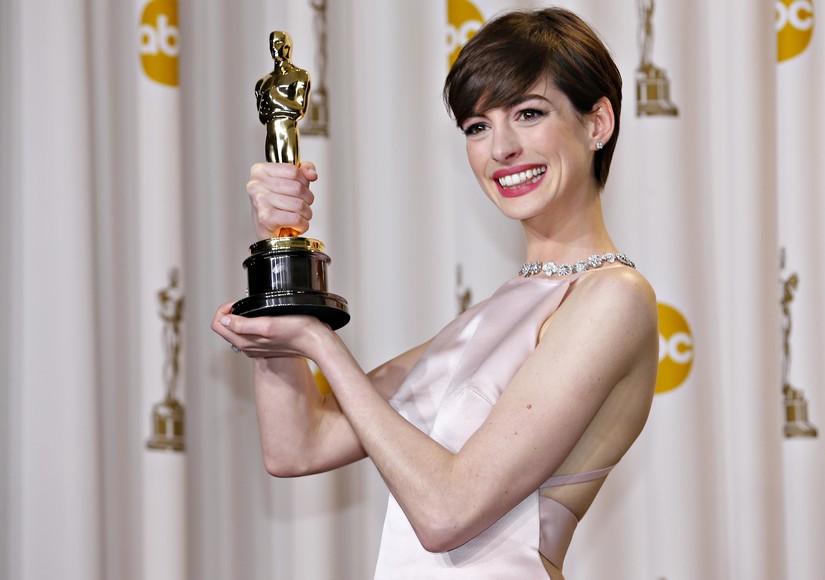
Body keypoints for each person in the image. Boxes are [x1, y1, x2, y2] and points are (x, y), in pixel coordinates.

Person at [213, 7, 658, 579]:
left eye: (528, 113)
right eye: (478, 125)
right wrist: (278, 259)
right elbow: (297, 446)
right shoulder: (498, 313)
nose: (500, 148)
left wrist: (319, 344)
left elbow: (448, 513)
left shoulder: (613, 297)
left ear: (597, 122)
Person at [255, 31, 311, 165]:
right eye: (272, 43)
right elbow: (262, 114)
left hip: (287, 129)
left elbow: (299, 108)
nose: (275, 48)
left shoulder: (300, 75)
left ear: (288, 47)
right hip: (271, 132)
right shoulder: (262, 82)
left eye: (279, 42)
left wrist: (275, 98)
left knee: (289, 172)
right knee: (273, 175)